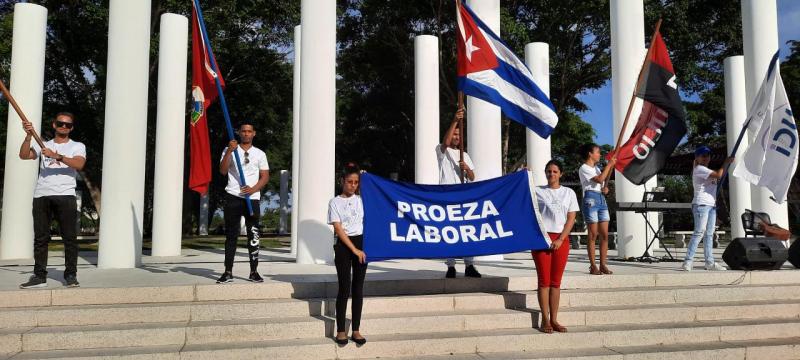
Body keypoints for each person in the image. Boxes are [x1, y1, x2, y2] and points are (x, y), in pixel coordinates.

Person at [18, 112, 86, 289]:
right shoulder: (44, 145)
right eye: (60, 123)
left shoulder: (77, 146)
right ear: (54, 125)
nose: (64, 127)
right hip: (42, 195)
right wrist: (27, 137)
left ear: (71, 128)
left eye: (68, 125)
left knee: (69, 238)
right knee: (41, 238)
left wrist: (59, 157)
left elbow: (79, 164)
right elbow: (24, 155)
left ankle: (70, 274)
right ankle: (39, 275)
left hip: (65, 195)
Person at [216, 121, 270, 284]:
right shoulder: (230, 149)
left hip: (251, 198)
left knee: (253, 234)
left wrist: (253, 189)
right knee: (231, 235)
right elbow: (223, 170)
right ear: (239, 133)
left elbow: (265, 176)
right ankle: (228, 271)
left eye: (249, 131)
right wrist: (230, 152)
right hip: (233, 195)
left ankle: (254, 271)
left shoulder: (260, 154)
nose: (246, 134)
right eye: (243, 131)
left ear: (254, 134)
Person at [533, 160, 579, 333]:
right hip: (542, 240)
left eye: (554, 171)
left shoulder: (569, 193)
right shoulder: (537, 191)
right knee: (544, 281)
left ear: (561, 173)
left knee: (555, 282)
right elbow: (522, 199)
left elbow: (571, 218)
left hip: (561, 240)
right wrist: (524, 174)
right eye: (548, 171)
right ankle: (545, 320)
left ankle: (555, 319)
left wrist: (561, 239)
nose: (551, 174)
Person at [437, 108, 480, 278]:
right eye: (454, 134)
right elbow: (446, 142)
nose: (456, 137)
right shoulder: (442, 151)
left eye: (458, 135)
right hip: (448, 195)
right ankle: (451, 265)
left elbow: (472, 177)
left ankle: (469, 264)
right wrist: (455, 119)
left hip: (464, 196)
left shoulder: (465, 155)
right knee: (450, 231)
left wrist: (466, 168)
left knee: (467, 230)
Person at [328, 164, 367, 345]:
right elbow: (338, 228)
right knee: (344, 287)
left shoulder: (361, 199)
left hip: (361, 243)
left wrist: (366, 179)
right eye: (350, 182)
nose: (353, 185)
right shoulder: (334, 202)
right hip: (344, 246)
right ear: (342, 181)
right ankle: (341, 330)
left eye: (356, 182)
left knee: (358, 288)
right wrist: (354, 249)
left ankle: (357, 329)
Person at [683, 146, 732, 271]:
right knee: (699, 232)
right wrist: (726, 163)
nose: (706, 158)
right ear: (697, 158)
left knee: (709, 234)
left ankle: (709, 262)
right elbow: (719, 175)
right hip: (701, 204)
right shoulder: (699, 169)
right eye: (703, 155)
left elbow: (719, 177)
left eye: (708, 155)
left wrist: (725, 166)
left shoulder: (705, 170)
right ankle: (688, 261)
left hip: (711, 205)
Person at [578, 144, 616, 275]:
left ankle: (603, 264)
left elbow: (601, 182)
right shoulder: (584, 168)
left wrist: (605, 189)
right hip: (590, 200)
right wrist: (609, 165)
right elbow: (600, 179)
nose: (599, 155)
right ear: (590, 154)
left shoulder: (597, 168)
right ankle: (593, 265)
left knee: (605, 234)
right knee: (593, 234)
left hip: (600, 199)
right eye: (597, 152)